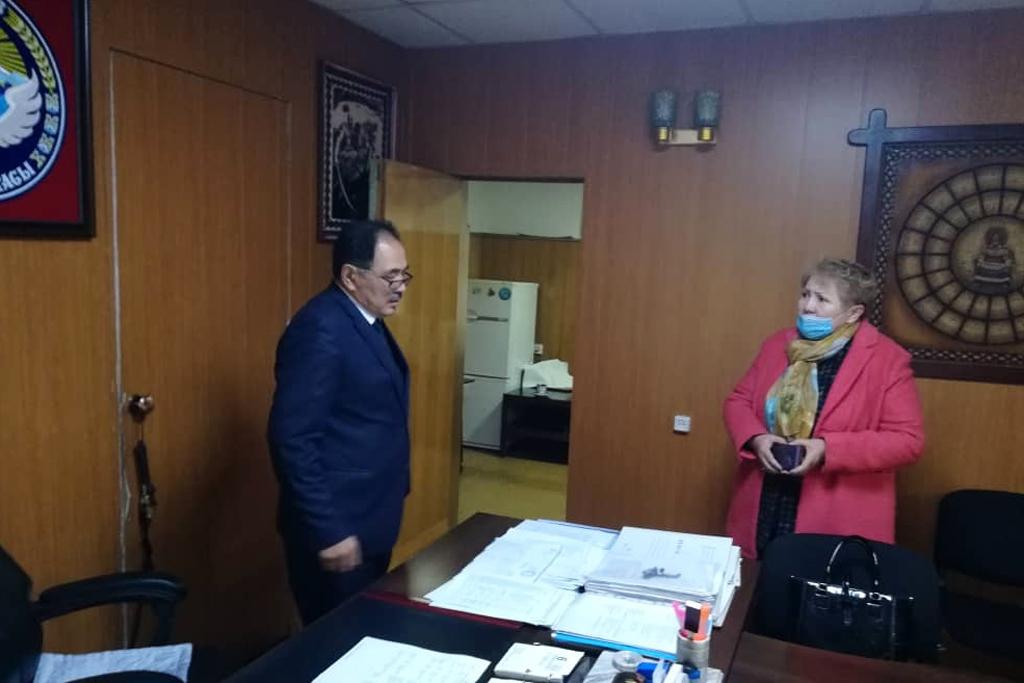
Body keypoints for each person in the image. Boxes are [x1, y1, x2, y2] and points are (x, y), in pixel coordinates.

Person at [723, 258, 925, 560]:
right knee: (756, 584)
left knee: (813, 582)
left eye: (822, 299)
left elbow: (908, 441)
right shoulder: (778, 344)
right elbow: (738, 401)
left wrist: (827, 448)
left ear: (853, 313)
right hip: (766, 502)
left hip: (835, 515)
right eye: (805, 294)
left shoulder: (887, 360)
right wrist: (756, 438)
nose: (808, 306)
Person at [268, 220, 413, 624]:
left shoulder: (365, 321)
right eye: (390, 277)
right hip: (336, 527)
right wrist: (328, 529)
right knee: (335, 639)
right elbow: (292, 438)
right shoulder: (321, 330)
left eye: (405, 275)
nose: (400, 286)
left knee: (361, 631)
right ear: (351, 276)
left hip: (369, 517)